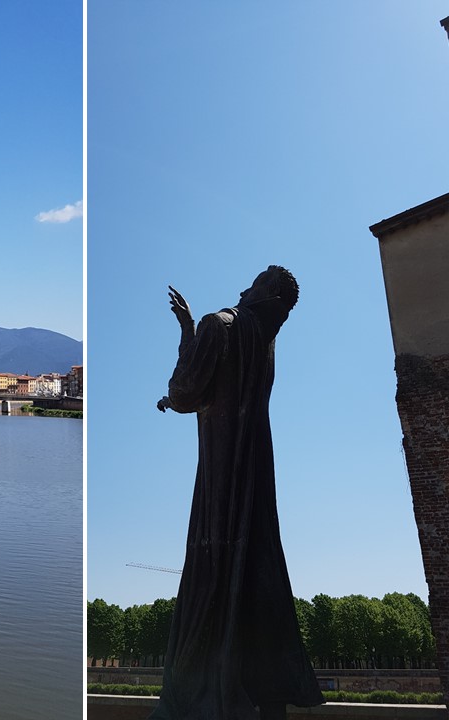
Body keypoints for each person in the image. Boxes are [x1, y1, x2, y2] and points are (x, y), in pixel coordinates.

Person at [152, 266, 323, 720]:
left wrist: (187, 330)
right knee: (255, 570)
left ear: (264, 293)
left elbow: (185, 390)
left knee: (211, 568)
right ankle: (264, 697)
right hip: (257, 476)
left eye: (253, 282)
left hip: (220, 474)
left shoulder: (219, 325)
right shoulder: (266, 347)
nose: (243, 287)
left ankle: (201, 694)